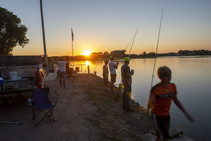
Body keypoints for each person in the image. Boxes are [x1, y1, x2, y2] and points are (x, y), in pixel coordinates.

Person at [147, 66, 194, 140]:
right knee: (165, 137)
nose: (169, 78)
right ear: (161, 78)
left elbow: (176, 101)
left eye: (170, 76)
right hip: (157, 116)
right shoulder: (155, 89)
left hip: (166, 115)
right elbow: (150, 103)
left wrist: (185, 113)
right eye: (166, 77)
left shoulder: (172, 86)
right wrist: (150, 102)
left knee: (160, 134)